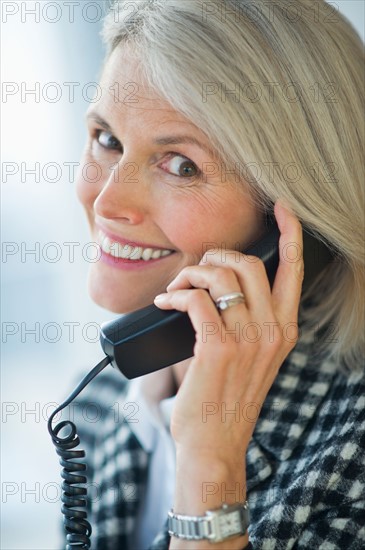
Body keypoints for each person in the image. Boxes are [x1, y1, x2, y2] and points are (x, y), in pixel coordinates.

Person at [71, 0, 364, 548]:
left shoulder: (353, 445)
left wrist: (211, 461)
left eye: (182, 165)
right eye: (108, 140)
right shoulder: (99, 402)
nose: (108, 201)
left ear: (290, 229)